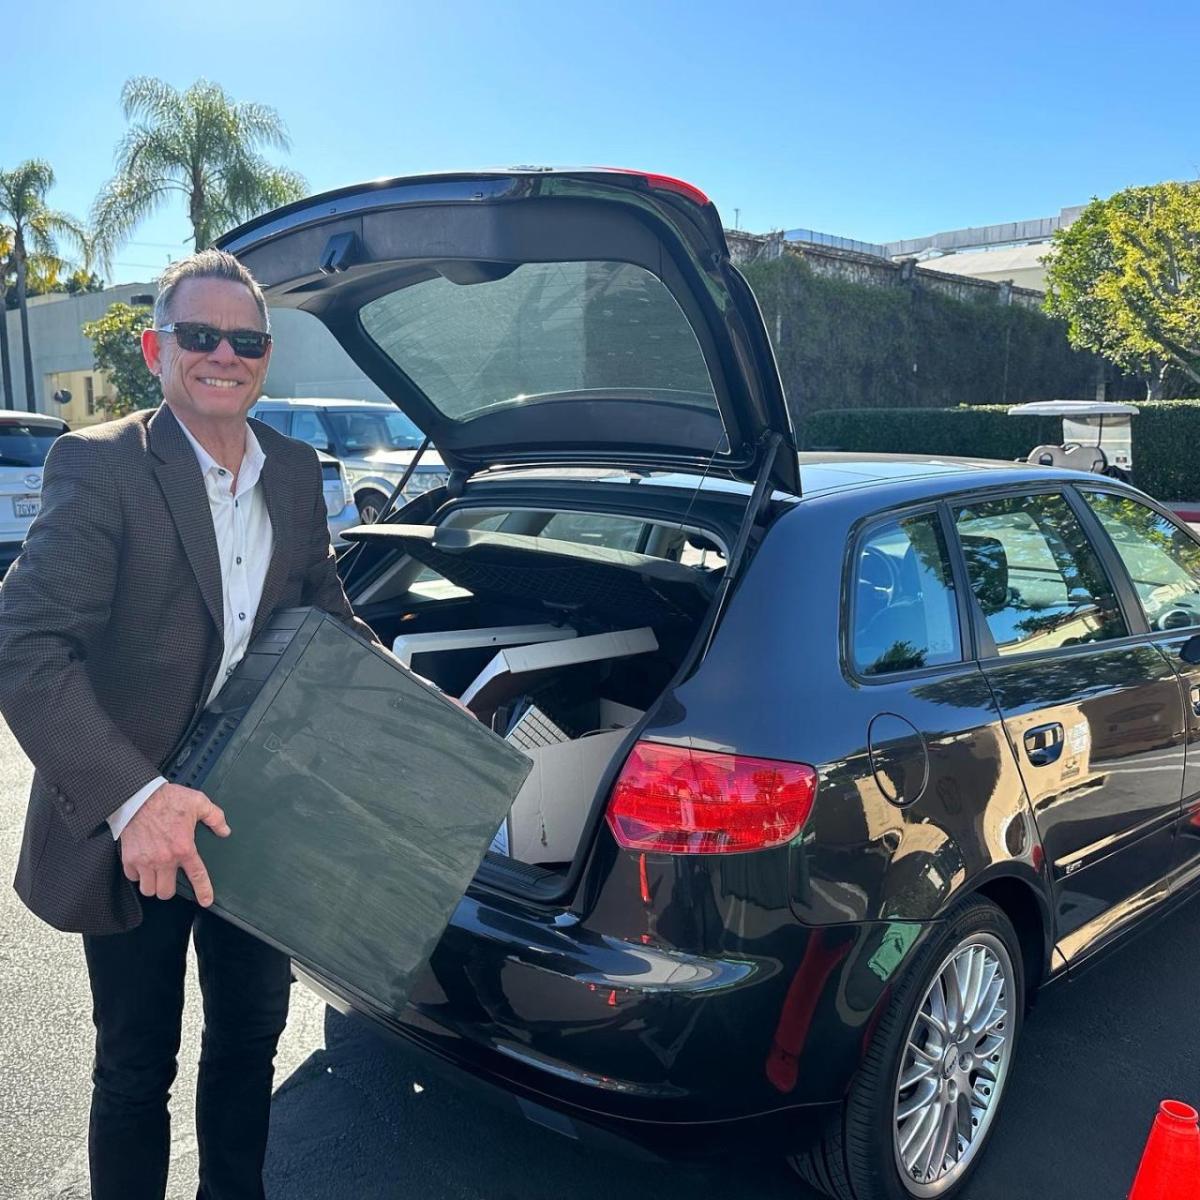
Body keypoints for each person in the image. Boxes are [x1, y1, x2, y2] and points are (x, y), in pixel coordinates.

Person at [0, 248, 370, 1200]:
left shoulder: (292, 471)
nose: (223, 355)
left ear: (265, 353)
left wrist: (416, 708)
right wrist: (137, 799)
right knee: (135, 1067)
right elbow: (26, 646)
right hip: (137, 822)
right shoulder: (103, 465)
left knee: (250, 1039)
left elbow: (322, 612)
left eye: (244, 340)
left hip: (254, 814)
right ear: (157, 347)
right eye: (199, 335)